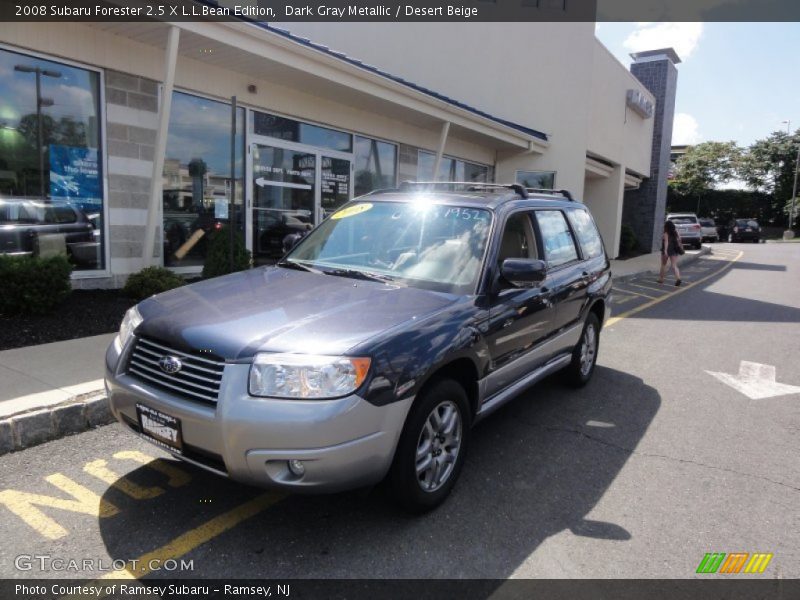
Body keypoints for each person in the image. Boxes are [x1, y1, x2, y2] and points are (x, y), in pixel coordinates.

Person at [658, 220, 683, 286]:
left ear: (666, 227)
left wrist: (666, 251)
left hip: (667, 250)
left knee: (663, 264)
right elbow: (680, 239)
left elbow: (666, 242)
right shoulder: (676, 232)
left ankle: (661, 279)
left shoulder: (666, 233)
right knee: (674, 266)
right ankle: (678, 278)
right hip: (674, 250)